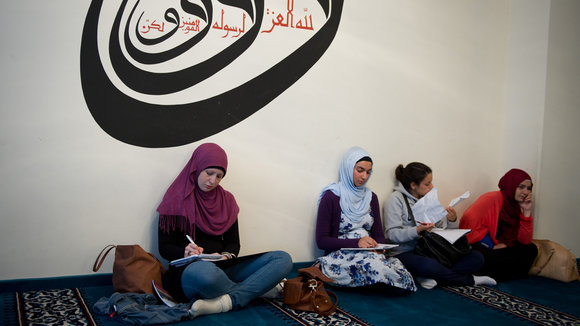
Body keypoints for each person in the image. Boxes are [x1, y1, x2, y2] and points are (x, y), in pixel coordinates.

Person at [157, 143, 292, 318]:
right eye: (209, 173)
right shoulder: (175, 199)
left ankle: (225, 302)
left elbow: (233, 243)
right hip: (191, 269)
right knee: (207, 276)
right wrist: (185, 252)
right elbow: (165, 248)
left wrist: (227, 255)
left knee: (282, 258)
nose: (213, 181)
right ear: (196, 168)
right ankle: (259, 289)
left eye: (219, 176)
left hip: (223, 266)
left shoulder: (227, 200)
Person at [316, 146, 417, 294]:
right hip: (340, 255)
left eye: (368, 172)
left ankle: (375, 282)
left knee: (402, 275)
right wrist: (356, 243)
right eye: (360, 170)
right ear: (348, 167)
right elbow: (322, 241)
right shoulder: (331, 197)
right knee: (376, 270)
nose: (364, 177)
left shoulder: (371, 197)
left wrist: (379, 246)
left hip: (369, 252)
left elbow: (378, 233)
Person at [384, 162, 496, 289]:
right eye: (427, 184)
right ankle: (469, 280)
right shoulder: (395, 200)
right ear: (413, 185)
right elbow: (391, 235)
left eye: (431, 182)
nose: (431, 187)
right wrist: (417, 230)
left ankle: (428, 276)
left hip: (432, 250)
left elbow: (443, 230)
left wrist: (452, 220)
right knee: (428, 266)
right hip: (406, 252)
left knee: (477, 258)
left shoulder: (428, 198)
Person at [459, 168, 538, 281]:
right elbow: (468, 224)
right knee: (482, 258)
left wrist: (526, 211)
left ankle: (500, 274)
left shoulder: (515, 206)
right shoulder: (491, 198)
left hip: (501, 246)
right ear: (510, 184)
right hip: (480, 245)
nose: (526, 192)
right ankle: (507, 273)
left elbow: (525, 240)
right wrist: (491, 245)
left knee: (531, 249)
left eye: (529, 188)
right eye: (521, 187)